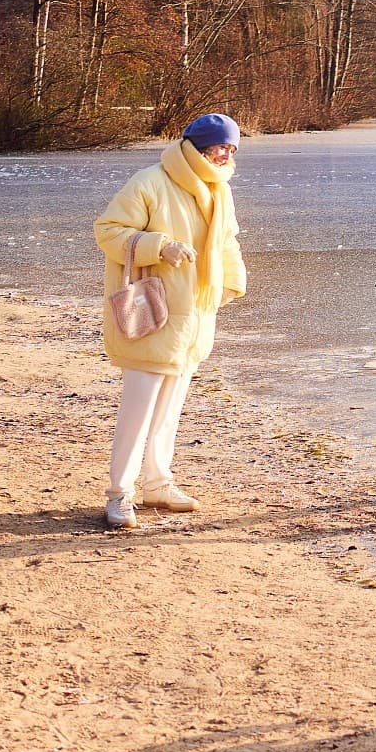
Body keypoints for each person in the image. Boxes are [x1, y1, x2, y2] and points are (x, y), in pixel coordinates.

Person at [93, 112, 251, 531]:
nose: (227, 155)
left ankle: (157, 484)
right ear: (198, 146)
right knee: (138, 411)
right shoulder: (150, 182)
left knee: (169, 410)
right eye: (220, 146)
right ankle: (119, 493)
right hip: (154, 313)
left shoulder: (220, 190)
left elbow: (227, 241)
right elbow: (108, 230)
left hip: (194, 315)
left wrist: (231, 284)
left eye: (232, 148)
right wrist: (159, 246)